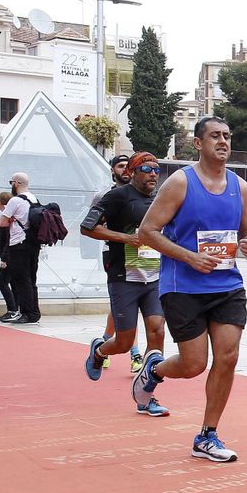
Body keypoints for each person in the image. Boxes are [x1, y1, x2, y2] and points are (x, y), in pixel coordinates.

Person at [137, 117, 247, 463]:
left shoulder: (242, 187)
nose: (223, 141)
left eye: (227, 135)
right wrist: (190, 257)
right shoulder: (179, 183)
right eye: (215, 136)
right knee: (193, 365)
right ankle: (155, 369)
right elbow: (147, 231)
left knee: (228, 356)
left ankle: (207, 435)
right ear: (198, 143)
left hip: (227, 284)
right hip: (184, 286)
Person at [81, 152, 170, 417]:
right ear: (132, 172)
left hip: (154, 276)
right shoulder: (117, 196)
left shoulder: (161, 198)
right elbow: (88, 228)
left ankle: (147, 395)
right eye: (146, 168)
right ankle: (99, 351)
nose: (153, 173)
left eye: (157, 169)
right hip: (124, 276)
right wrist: (124, 238)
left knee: (157, 331)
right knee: (123, 342)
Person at [98, 153, 143, 373]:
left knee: (125, 307)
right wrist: (122, 238)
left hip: (143, 257)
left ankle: (104, 340)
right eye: (121, 166)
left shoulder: (145, 195)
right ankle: (134, 353)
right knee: (126, 307)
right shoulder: (105, 196)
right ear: (113, 170)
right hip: (115, 256)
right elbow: (94, 226)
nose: (125, 170)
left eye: (129, 166)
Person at [0, 171, 41, 323]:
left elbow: (3, 222)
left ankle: (27, 313)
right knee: (31, 279)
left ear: (16, 183)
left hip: (18, 243)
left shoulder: (15, 201)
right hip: (33, 243)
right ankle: (34, 312)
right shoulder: (34, 198)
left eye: (12, 183)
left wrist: (11, 219)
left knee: (21, 280)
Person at [0, 192, 19, 321]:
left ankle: (13, 310)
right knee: (12, 283)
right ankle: (15, 310)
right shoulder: (8, 217)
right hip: (9, 255)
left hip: (9, 256)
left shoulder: (8, 218)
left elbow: (8, 241)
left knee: (2, 283)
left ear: (0, 202)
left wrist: (4, 258)